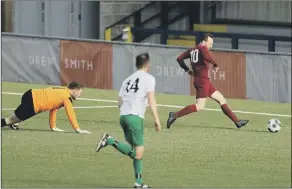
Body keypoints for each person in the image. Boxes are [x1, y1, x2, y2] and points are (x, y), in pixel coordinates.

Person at [96, 53, 161, 188]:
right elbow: (151, 99)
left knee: (136, 152)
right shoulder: (149, 78)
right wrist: (156, 119)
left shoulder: (127, 79)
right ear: (147, 66)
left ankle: (138, 183)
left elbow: (119, 102)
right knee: (138, 153)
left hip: (123, 117)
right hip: (135, 117)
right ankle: (109, 140)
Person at [167, 33, 249, 129]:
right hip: (203, 81)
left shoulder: (192, 50)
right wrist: (215, 64)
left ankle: (237, 121)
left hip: (203, 81)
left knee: (221, 99)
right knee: (200, 106)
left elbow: (179, 58)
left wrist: (187, 70)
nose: (211, 46)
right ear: (204, 41)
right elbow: (206, 56)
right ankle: (174, 115)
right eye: (210, 43)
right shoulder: (202, 48)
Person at [1, 81, 91, 134]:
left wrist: (53, 127)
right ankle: (12, 123)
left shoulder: (62, 90)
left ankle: (14, 124)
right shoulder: (67, 97)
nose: (80, 95)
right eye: (80, 92)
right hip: (32, 103)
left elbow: (54, 109)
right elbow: (70, 113)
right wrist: (77, 129)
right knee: (8, 120)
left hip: (30, 94)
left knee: (15, 118)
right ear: (75, 90)